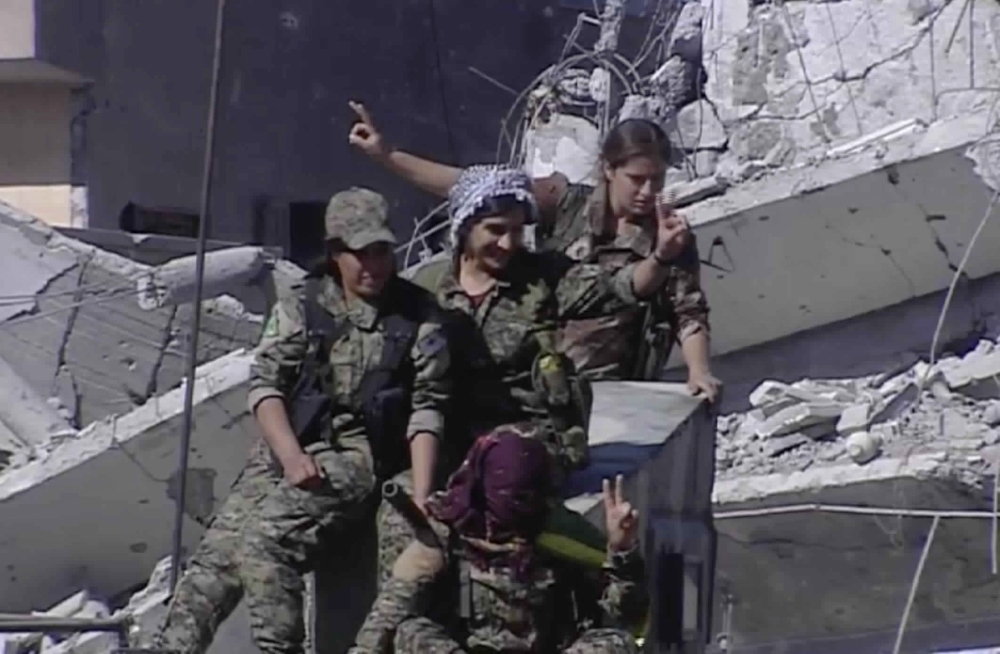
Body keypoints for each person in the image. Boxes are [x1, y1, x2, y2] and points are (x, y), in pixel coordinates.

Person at [348, 163, 685, 654]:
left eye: (516, 230)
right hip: (459, 444)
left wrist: (660, 256)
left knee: (508, 502)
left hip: (528, 444)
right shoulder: (431, 292)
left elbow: (620, 288)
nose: (507, 244)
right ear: (464, 228)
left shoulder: (542, 277)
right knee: (401, 513)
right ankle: (414, 619)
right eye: (495, 231)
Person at [153, 188, 453, 654]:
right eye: (361, 254)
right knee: (214, 565)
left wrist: (421, 492)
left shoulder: (417, 315)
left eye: (382, 252)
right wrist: (290, 457)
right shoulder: (304, 304)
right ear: (336, 254)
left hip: (358, 454)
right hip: (290, 448)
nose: (374, 265)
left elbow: (428, 407)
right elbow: (266, 385)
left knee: (266, 541)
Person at [348, 101, 720, 401]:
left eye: (658, 179)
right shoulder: (565, 204)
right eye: (637, 179)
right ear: (609, 169)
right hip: (537, 372)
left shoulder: (668, 236)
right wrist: (388, 155)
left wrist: (699, 371)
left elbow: (688, 311)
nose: (648, 191)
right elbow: (477, 187)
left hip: (616, 385)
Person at [360, 428, 646, 654]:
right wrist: (423, 566)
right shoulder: (445, 531)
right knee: (412, 633)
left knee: (615, 644)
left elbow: (628, 615)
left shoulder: (560, 534)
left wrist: (621, 550)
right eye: (510, 496)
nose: (518, 507)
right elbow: (387, 617)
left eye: (527, 496)